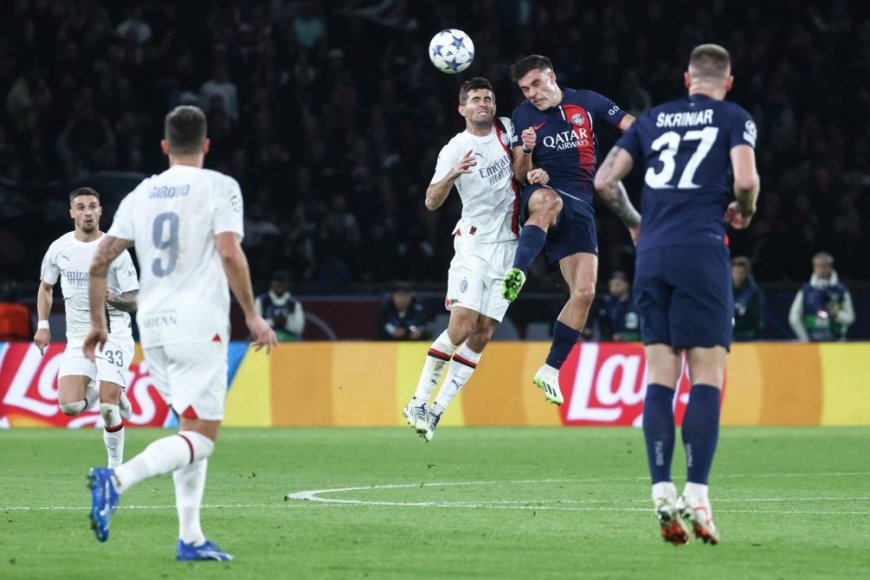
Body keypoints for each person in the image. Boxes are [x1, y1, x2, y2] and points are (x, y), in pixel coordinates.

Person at [82, 105, 277, 560]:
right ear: (206, 145)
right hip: (198, 325)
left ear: (166, 146)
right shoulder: (219, 186)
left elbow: (97, 261)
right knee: (202, 436)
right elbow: (229, 252)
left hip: (153, 328)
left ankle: (190, 538)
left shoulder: (140, 194)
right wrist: (251, 314)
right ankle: (116, 480)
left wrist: (96, 323)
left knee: (188, 431)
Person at [594, 44, 760, 546]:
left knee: (660, 376)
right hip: (702, 251)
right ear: (726, 82)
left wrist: (636, 224)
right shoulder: (733, 116)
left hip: (654, 256)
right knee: (707, 372)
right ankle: (698, 493)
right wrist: (745, 210)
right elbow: (747, 179)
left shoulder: (653, 119)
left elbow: (604, 181)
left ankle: (661, 489)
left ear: (686, 77)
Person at [501, 54, 635, 405]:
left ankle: (550, 369)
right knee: (548, 203)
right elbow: (519, 173)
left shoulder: (588, 102)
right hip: (543, 191)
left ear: (551, 77)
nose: (530, 93)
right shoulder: (522, 115)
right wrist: (528, 155)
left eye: (534, 84)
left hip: (581, 205)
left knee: (585, 292)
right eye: (524, 88)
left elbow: (630, 125)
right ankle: (517, 272)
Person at [402, 77, 524, 442]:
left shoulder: (507, 129)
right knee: (461, 328)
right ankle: (418, 401)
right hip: (473, 245)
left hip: (510, 246)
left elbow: (519, 172)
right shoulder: (455, 147)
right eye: (475, 99)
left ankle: (437, 411)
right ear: (462, 109)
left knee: (484, 333)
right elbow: (430, 201)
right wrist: (453, 174)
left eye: (488, 98)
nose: (483, 103)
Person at [35, 187, 138, 467]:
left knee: (107, 407)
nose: (87, 211)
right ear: (72, 213)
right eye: (80, 207)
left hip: (113, 334)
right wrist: (43, 325)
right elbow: (46, 287)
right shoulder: (59, 248)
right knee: (70, 407)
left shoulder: (115, 250)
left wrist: (115, 298)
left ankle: (114, 468)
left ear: (101, 211)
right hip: (79, 338)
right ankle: (117, 389)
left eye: (92, 206)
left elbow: (135, 299)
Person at [788, 252, 855, 341]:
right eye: (818, 266)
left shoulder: (841, 290)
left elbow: (850, 318)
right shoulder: (806, 291)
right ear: (814, 268)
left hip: (836, 341)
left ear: (830, 267)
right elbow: (794, 318)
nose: (822, 269)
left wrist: (837, 314)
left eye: (825, 266)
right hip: (812, 340)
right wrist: (805, 339)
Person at [255, 271, 305, 341]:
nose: (279, 285)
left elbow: (298, 328)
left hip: (289, 342)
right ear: (272, 283)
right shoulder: (261, 301)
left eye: (282, 282)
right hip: (266, 341)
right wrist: (273, 321)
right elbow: (255, 327)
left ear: (287, 284)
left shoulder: (294, 303)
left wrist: (286, 322)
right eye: (277, 282)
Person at [596, 271, 640, 341]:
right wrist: (612, 335)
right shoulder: (606, 303)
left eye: (617, 284)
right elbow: (603, 324)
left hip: (637, 339)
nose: (613, 288)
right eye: (611, 285)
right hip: (612, 341)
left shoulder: (637, 301)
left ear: (626, 284)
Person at [731, 256, 765, 341]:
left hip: (748, 336)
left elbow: (755, 320)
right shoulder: (724, 291)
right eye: (735, 272)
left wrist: (733, 324)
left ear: (747, 273)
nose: (738, 275)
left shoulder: (754, 293)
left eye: (741, 272)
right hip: (728, 335)